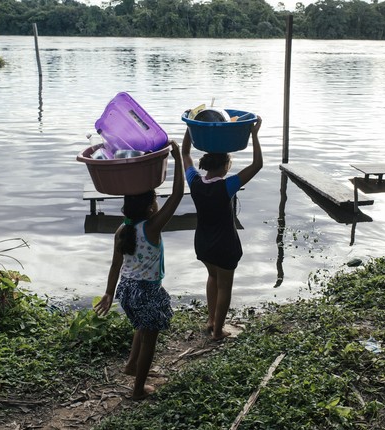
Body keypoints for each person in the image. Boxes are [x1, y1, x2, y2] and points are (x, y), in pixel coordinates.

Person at [94, 140, 184, 400]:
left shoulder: (123, 229)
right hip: (146, 290)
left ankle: (132, 365)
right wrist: (178, 158)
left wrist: (109, 293)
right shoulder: (152, 227)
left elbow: (115, 265)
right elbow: (177, 195)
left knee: (141, 326)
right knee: (149, 340)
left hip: (126, 290)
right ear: (150, 207)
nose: (158, 204)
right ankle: (138, 390)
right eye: (155, 201)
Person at [181, 116, 263, 341]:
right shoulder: (227, 186)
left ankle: (211, 320)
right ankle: (218, 331)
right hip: (224, 246)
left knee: (212, 277)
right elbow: (257, 165)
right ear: (226, 165)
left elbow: (185, 154)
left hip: (204, 244)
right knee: (225, 286)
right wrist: (254, 135)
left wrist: (190, 127)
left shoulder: (195, 183)